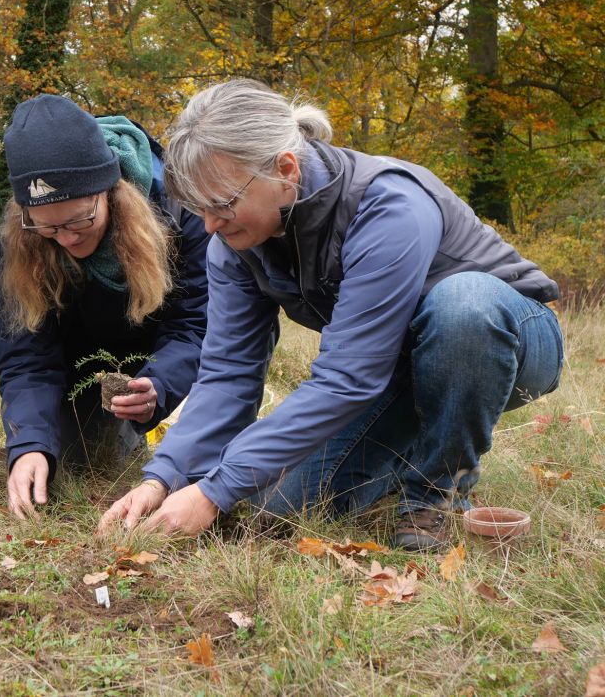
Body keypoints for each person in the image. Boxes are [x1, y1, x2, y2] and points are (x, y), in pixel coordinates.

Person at [98, 79, 564, 550]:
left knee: (462, 305)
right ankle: (408, 451)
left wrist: (214, 490)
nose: (210, 225)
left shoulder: (388, 205)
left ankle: (436, 495)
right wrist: (165, 477)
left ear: (285, 170)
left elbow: (348, 377)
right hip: (396, 371)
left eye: (222, 204)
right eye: (199, 208)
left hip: (508, 339)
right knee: (271, 504)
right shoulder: (235, 244)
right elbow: (227, 374)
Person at [0, 94, 210, 520]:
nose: (68, 238)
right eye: (49, 226)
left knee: (192, 450)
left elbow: (197, 324)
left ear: (111, 191)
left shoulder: (180, 209)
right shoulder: (22, 237)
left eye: (80, 220)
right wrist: (29, 443)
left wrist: (159, 385)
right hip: (78, 359)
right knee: (74, 460)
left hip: (161, 354)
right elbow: (26, 355)